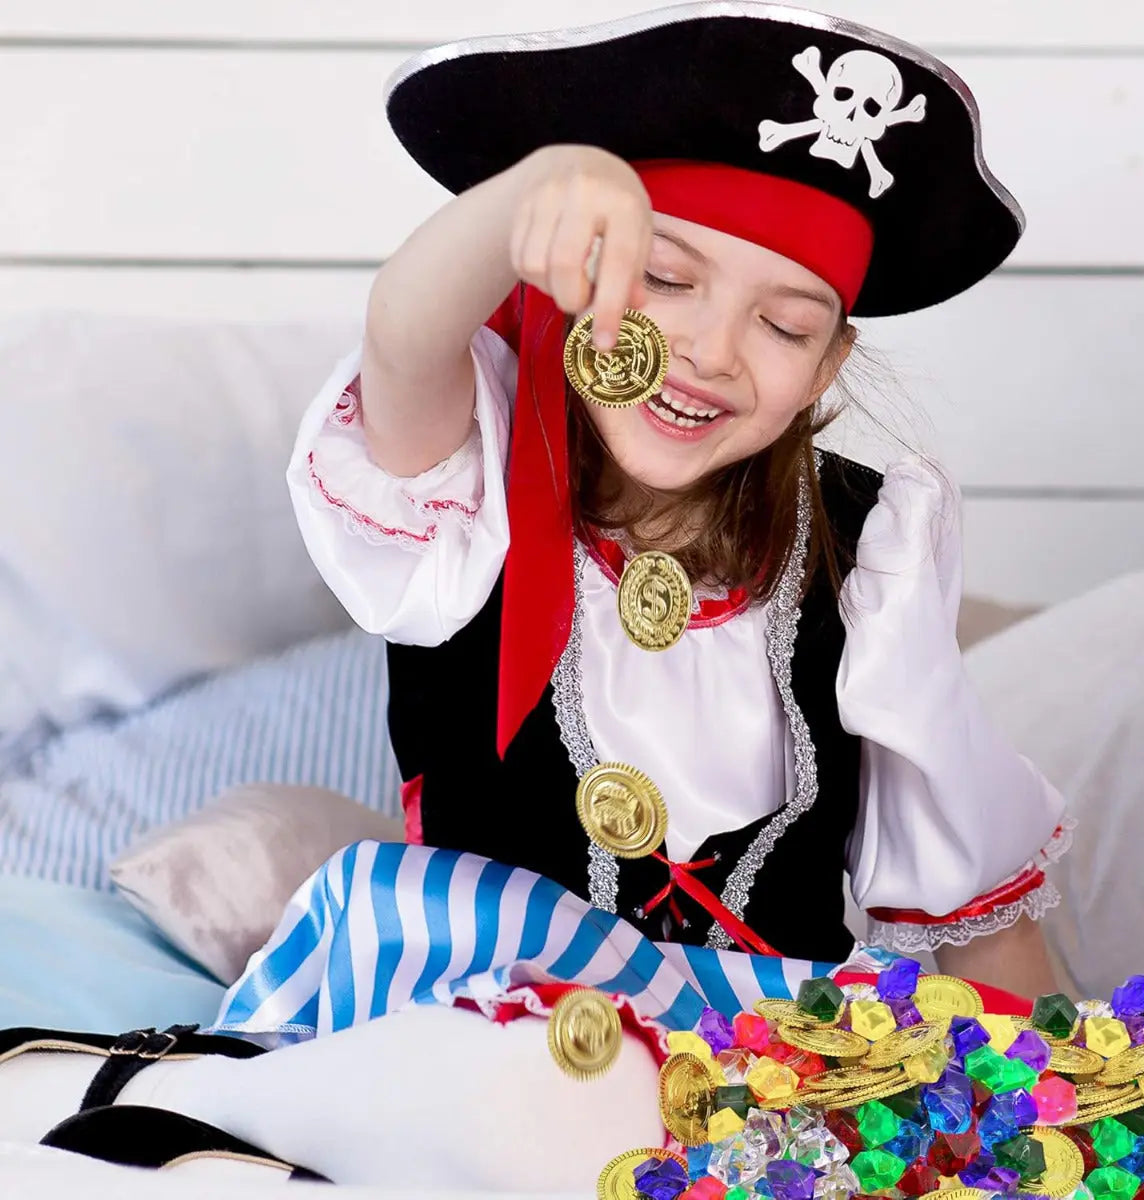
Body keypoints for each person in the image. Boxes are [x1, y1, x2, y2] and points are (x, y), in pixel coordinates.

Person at [0, 2, 1071, 1184]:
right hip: (473, 998)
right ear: (571, 269)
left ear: (828, 364)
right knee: (534, 1096)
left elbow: (978, 915)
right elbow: (403, 335)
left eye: (783, 324)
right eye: (665, 277)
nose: (712, 349)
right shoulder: (475, 467)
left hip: (748, 1054)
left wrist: (1055, 1130)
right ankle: (178, 1103)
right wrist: (526, 196)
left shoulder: (873, 558)